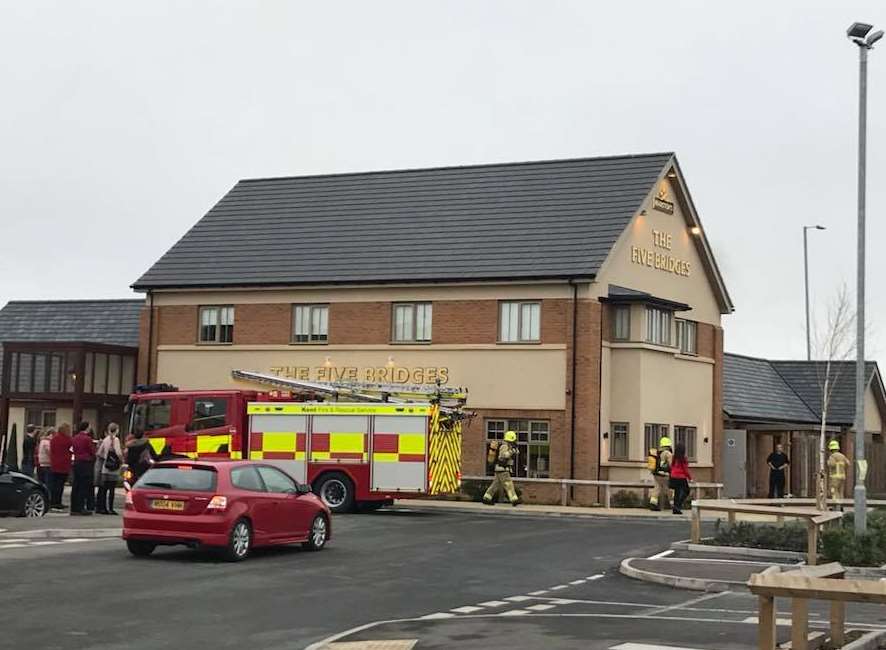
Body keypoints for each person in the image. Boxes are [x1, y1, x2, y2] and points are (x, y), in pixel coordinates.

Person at [482, 430, 520, 506]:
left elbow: (516, 452)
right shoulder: (504, 446)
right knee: (509, 484)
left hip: (500, 469)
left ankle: (487, 498)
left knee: (495, 485)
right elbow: (503, 456)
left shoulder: (508, 446)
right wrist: (511, 451)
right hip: (502, 469)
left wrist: (514, 450)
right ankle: (514, 500)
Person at [95, 423, 123, 515]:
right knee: (112, 489)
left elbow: (99, 453)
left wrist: (106, 457)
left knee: (104, 489)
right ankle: (110, 508)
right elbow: (118, 452)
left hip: (105, 467)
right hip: (113, 469)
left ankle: (102, 507)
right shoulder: (116, 440)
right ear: (116, 430)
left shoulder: (105, 439)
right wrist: (121, 460)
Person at [70, 422, 96, 515]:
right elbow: (92, 451)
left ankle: (74, 507)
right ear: (87, 428)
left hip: (77, 462)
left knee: (76, 484)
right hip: (86, 463)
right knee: (84, 485)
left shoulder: (75, 438)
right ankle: (81, 507)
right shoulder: (87, 439)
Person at [49, 423, 73, 510]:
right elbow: (71, 449)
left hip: (54, 464)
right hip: (63, 465)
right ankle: (58, 502)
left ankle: (52, 501)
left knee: (54, 484)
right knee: (60, 485)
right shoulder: (68, 440)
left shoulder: (54, 439)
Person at [649, 436, 673, 512]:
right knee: (670, 489)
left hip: (656, 474)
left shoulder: (657, 452)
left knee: (657, 488)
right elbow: (671, 464)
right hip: (665, 474)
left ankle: (653, 504)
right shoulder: (668, 453)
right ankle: (673, 504)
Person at [669, 441, 692, 515]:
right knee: (687, 490)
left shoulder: (674, 457)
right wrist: (690, 478)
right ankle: (678, 505)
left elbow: (671, 467)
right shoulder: (683, 458)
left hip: (673, 476)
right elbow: (685, 470)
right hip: (681, 477)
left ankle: (675, 509)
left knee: (677, 492)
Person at [827, 440, 850, 505]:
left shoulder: (832, 456)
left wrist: (828, 462)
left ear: (831, 449)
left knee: (834, 491)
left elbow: (832, 464)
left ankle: (836, 506)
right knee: (841, 491)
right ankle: (841, 505)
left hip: (835, 477)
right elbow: (848, 463)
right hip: (842, 476)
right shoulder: (842, 456)